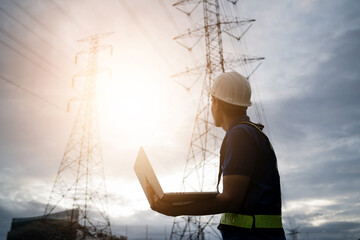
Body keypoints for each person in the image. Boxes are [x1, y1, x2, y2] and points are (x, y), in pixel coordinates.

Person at [147, 71, 286, 240]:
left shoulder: (240, 135)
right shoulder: (248, 133)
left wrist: (176, 209)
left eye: (211, 102)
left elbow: (230, 200)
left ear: (216, 103)